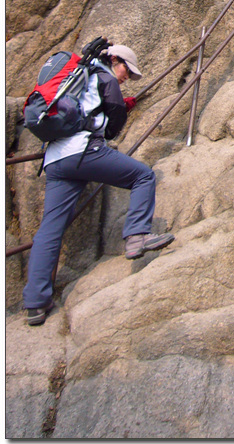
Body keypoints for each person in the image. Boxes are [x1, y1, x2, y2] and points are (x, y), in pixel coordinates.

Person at [23, 43, 175, 326]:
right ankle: (137, 236)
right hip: (85, 152)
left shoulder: (82, 76)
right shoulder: (104, 77)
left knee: (50, 229)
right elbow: (111, 127)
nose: (124, 78)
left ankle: (35, 303)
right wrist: (121, 106)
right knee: (143, 176)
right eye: (125, 70)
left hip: (56, 160)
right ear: (113, 59)